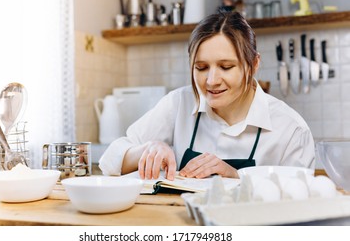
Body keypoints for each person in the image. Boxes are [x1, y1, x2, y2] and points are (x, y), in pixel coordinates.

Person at [99, 10, 315, 181]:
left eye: (226, 66)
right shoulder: (178, 104)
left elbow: (298, 203)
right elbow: (110, 160)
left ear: (254, 64)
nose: (211, 81)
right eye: (201, 68)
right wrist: (149, 149)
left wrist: (236, 177)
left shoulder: (291, 130)